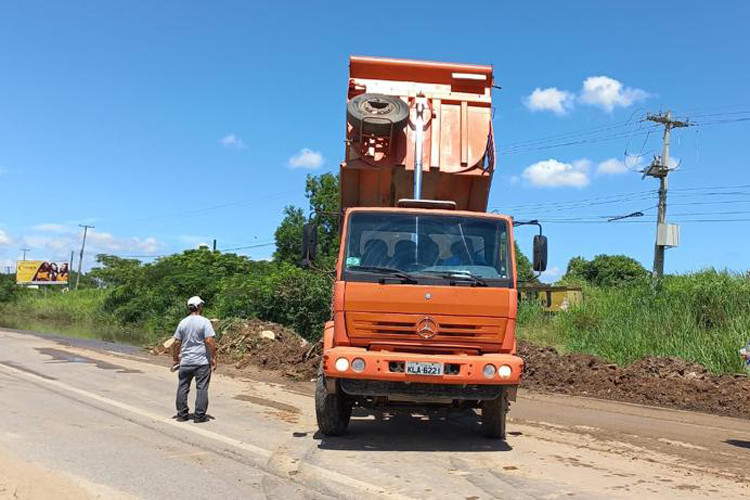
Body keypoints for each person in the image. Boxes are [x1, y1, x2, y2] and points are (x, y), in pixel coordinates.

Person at [173, 296, 217, 423]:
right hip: (201, 363)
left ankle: (181, 415)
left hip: (186, 362)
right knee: (202, 388)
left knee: (183, 387)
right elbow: (209, 341)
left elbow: (176, 342)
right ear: (199, 307)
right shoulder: (205, 322)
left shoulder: (183, 322)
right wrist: (214, 357)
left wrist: (176, 359)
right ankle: (199, 416)